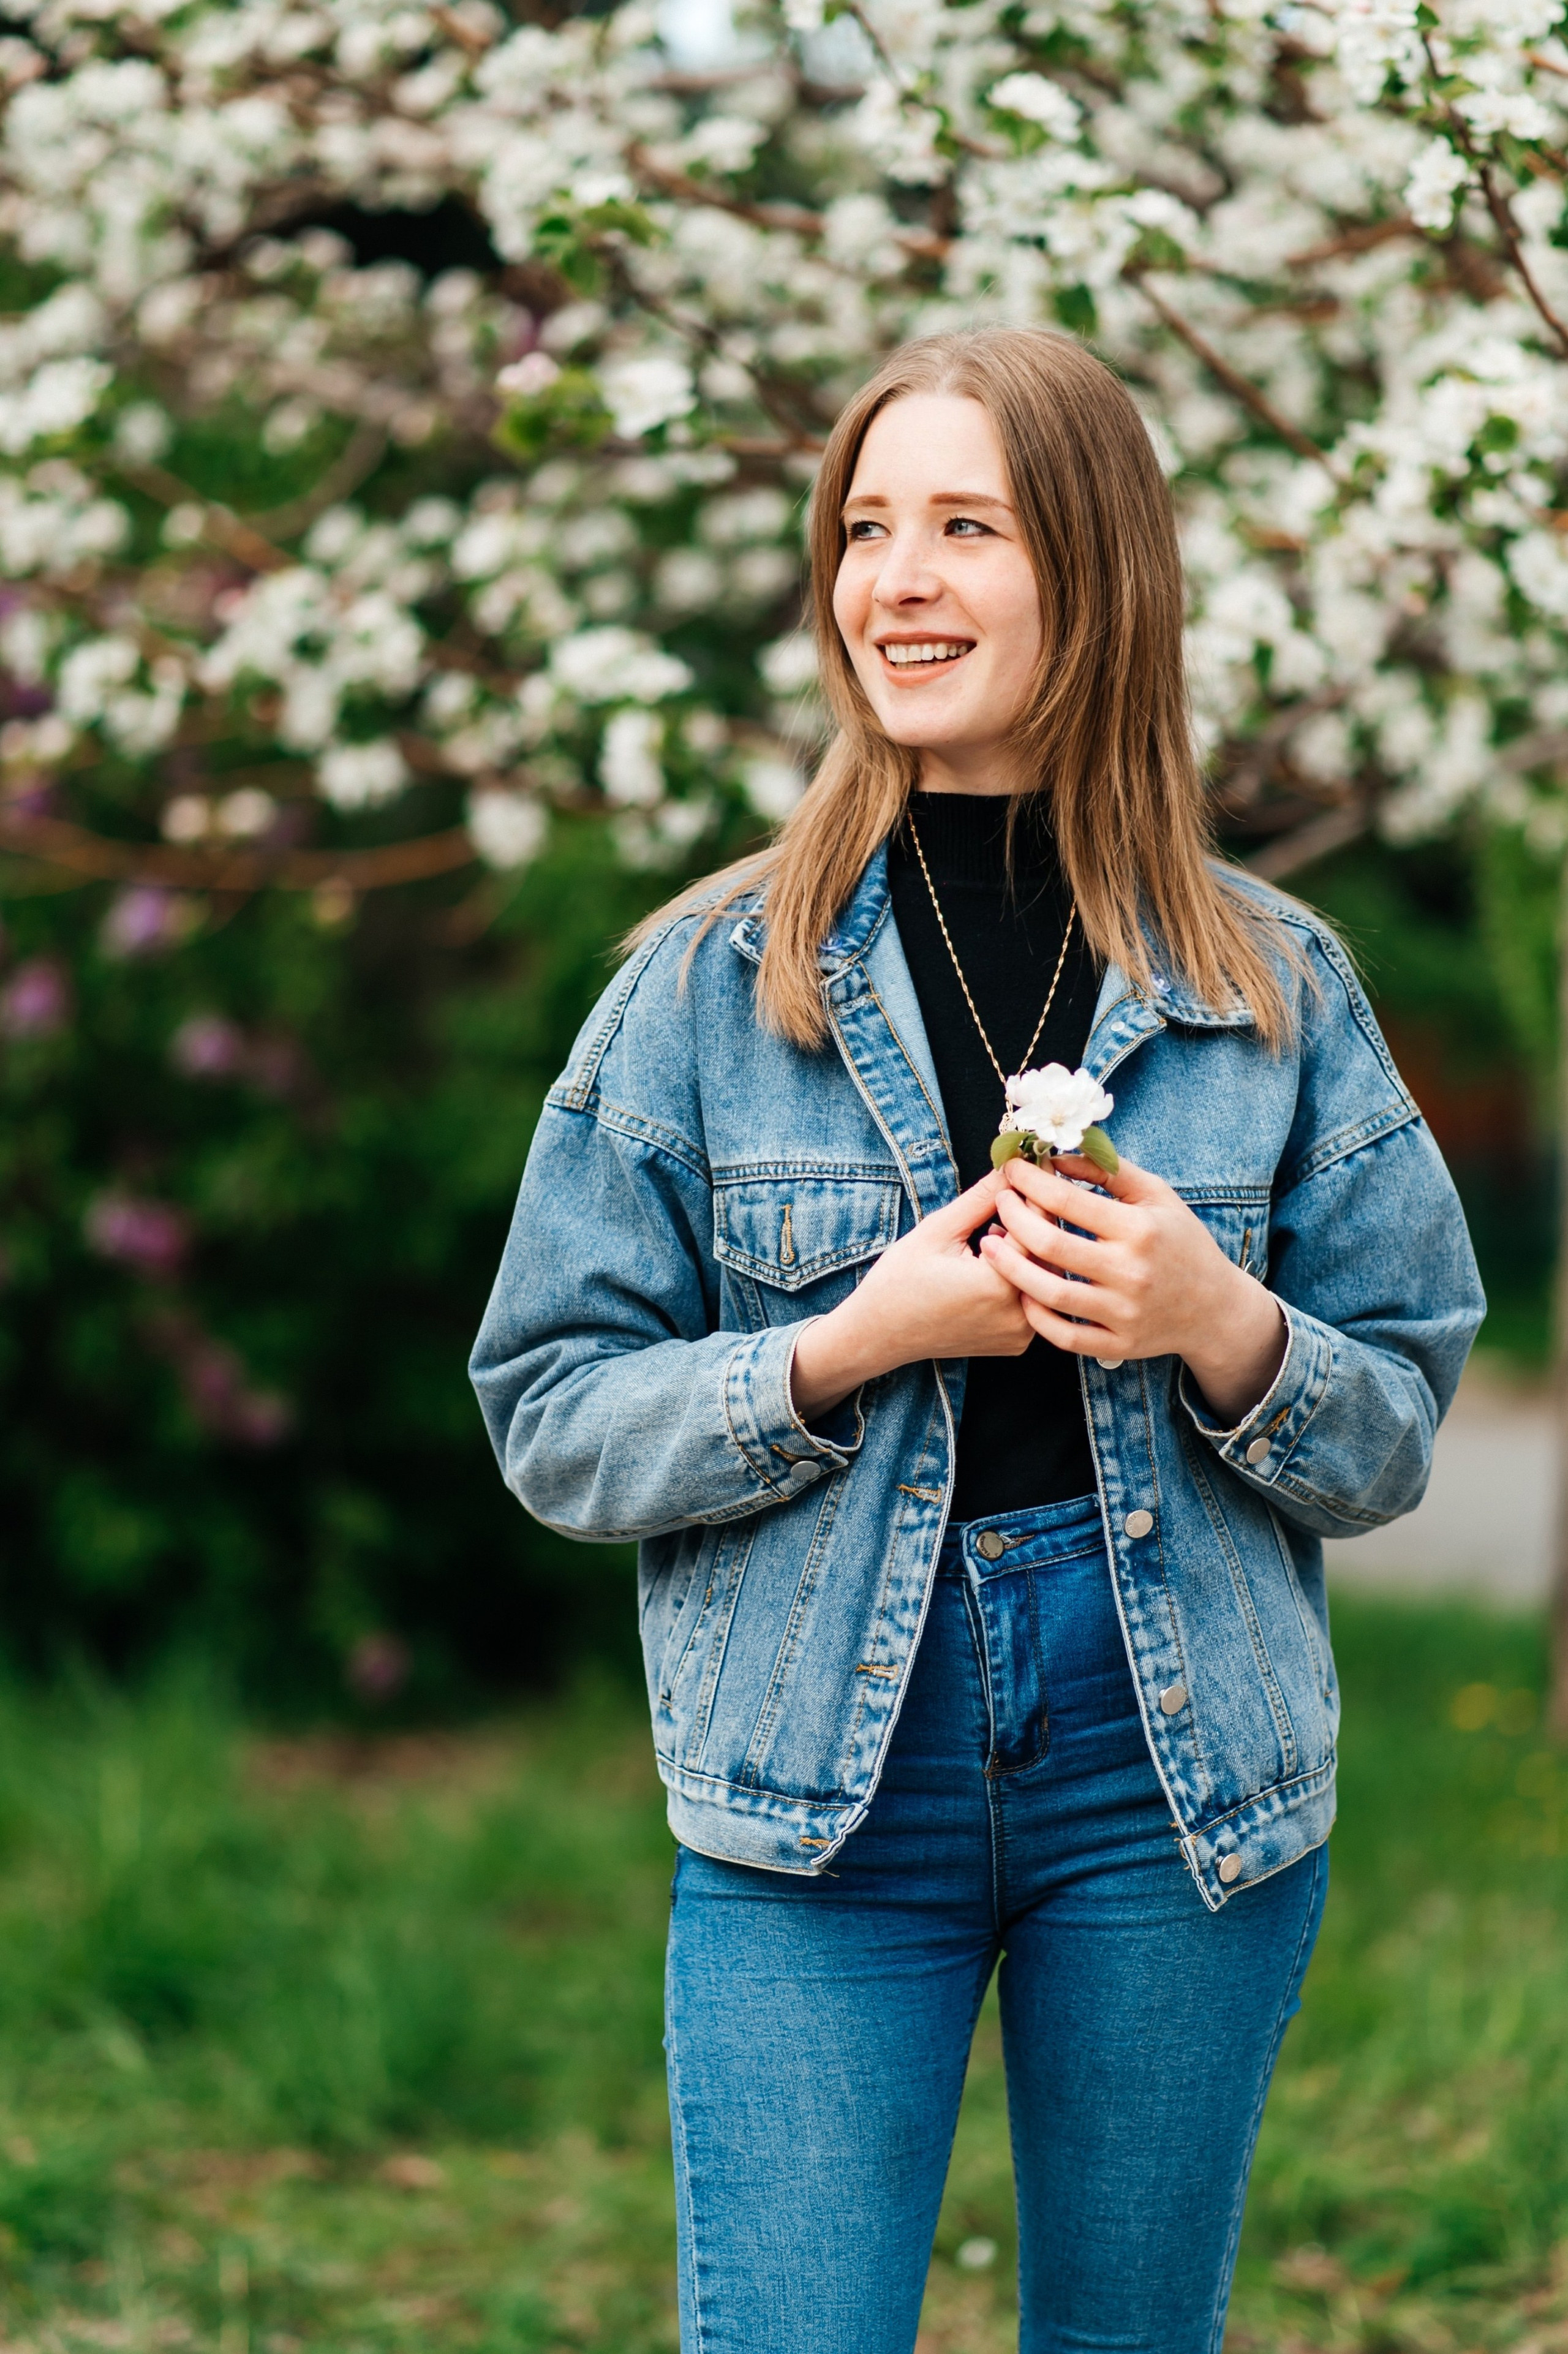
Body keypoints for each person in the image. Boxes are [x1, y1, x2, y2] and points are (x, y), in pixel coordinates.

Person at [470, 326, 1484, 2354]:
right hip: (819, 1786)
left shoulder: (1271, 987)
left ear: (1094, 571)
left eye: (965, 526)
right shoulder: (699, 985)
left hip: (1171, 1777)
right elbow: (551, 1413)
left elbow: (1397, 1421)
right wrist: (840, 1347)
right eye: (864, 527)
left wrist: (1226, 1326)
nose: (893, 581)